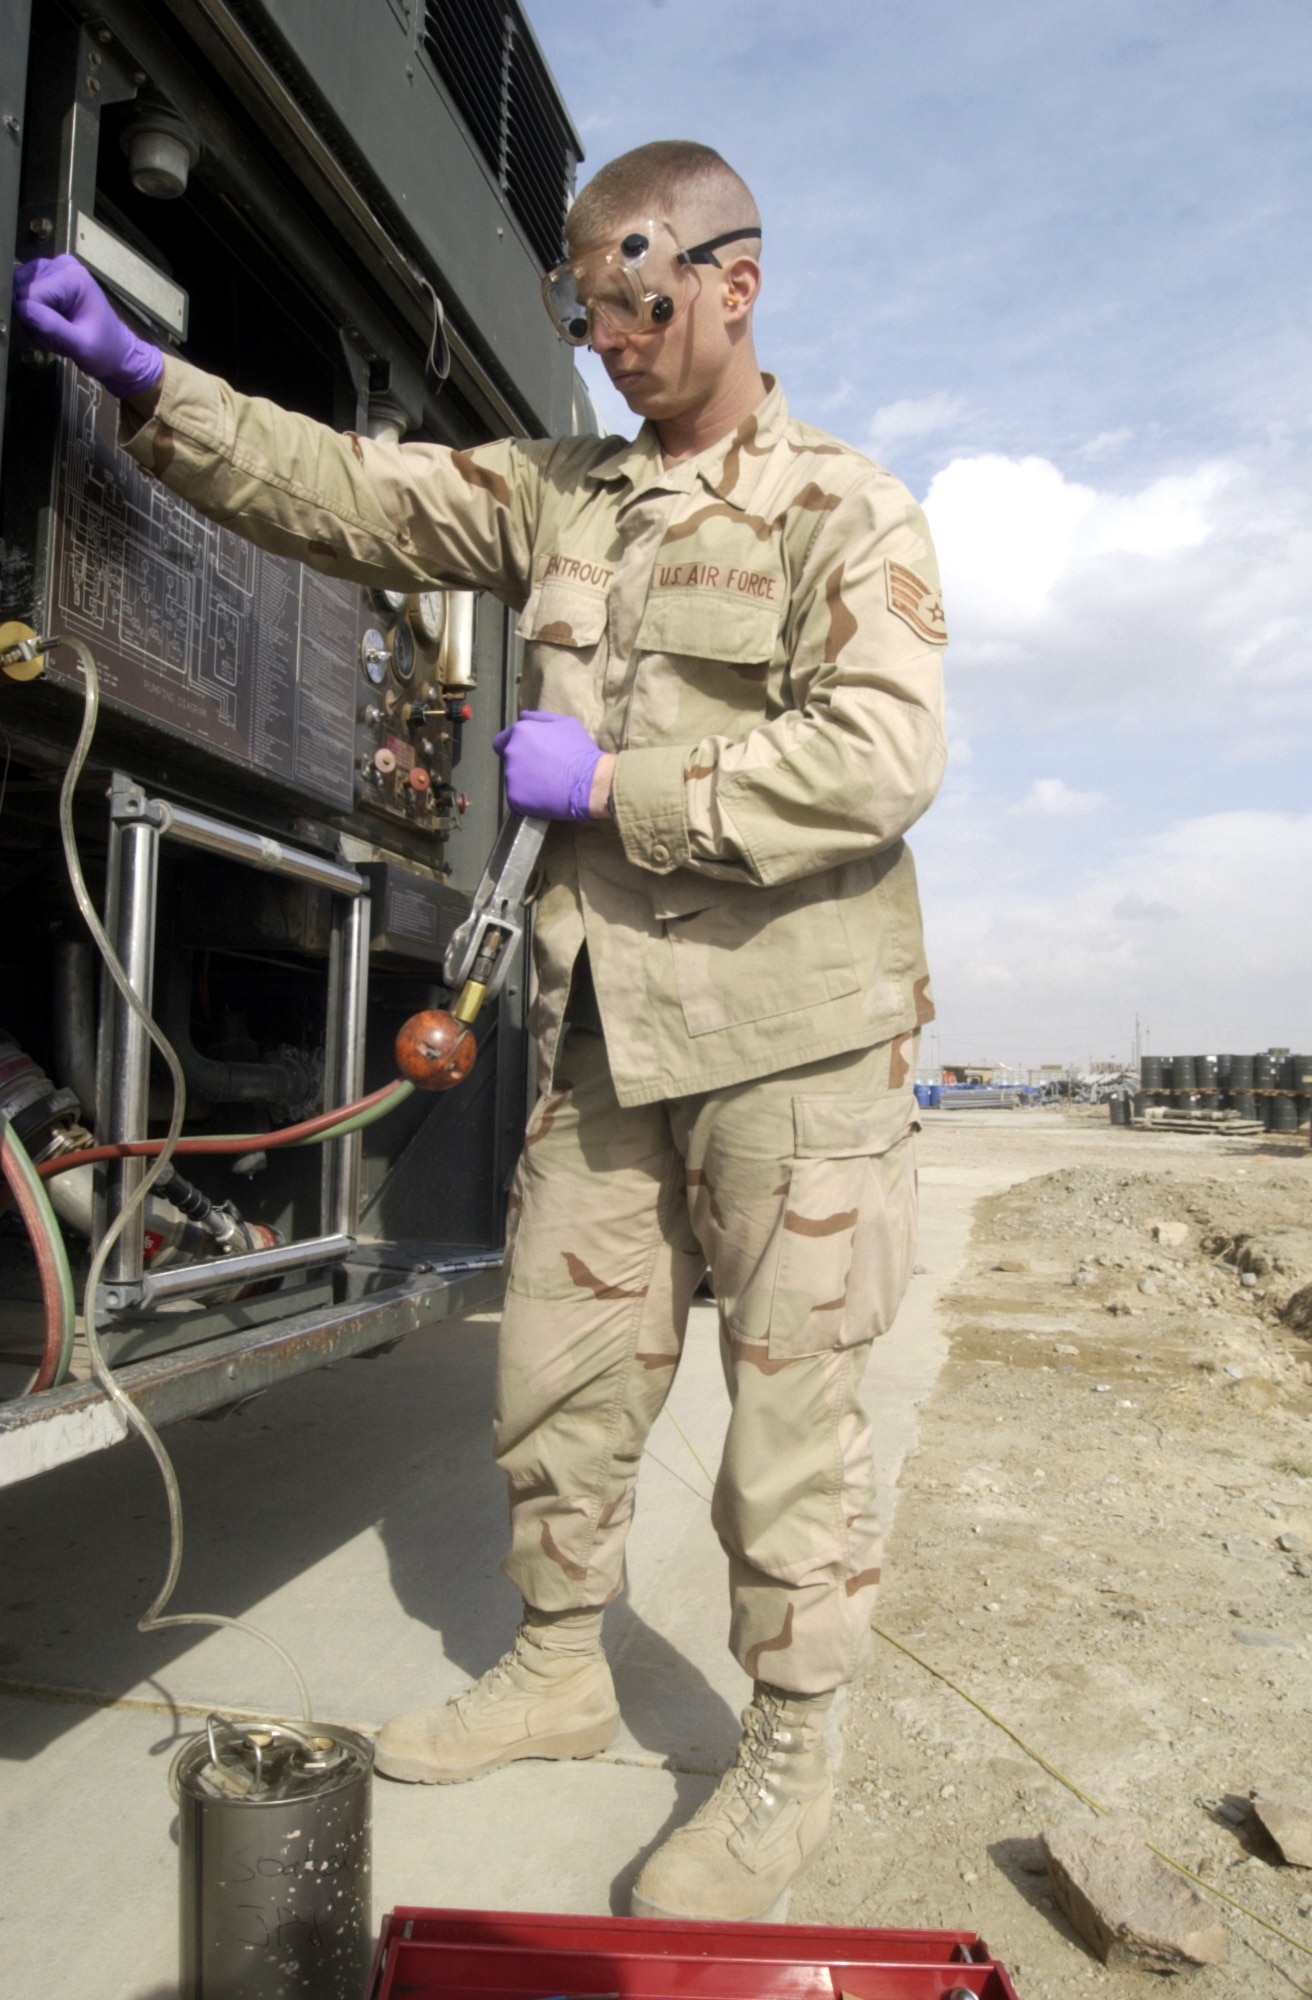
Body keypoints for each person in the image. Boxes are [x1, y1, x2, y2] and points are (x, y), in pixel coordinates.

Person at [15, 139, 947, 1921]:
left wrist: (623, 780)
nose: (609, 337)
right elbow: (356, 495)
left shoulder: (845, 507)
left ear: (735, 284)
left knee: (790, 1424)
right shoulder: (560, 494)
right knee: (564, 1389)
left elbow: (885, 758)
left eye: (640, 298)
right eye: (584, 304)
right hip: (607, 1036)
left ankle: (793, 1743)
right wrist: (151, 382)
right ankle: (556, 1665)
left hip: (789, 1046)